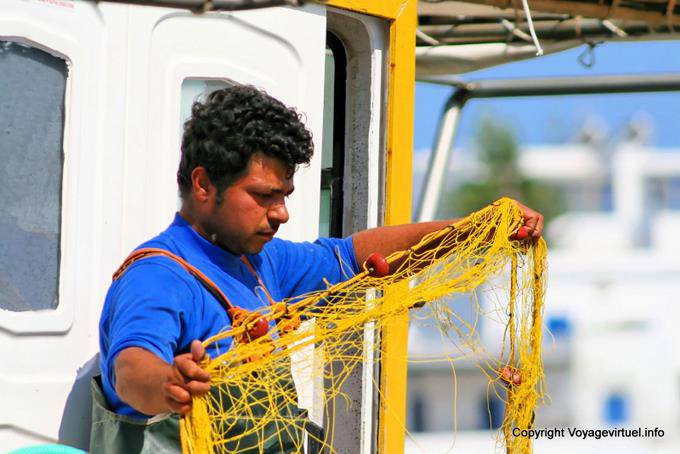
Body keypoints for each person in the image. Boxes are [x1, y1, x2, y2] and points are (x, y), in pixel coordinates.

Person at [91, 85, 543, 453]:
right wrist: (169, 384)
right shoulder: (156, 276)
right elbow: (129, 370)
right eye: (264, 195)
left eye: (284, 195)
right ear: (204, 184)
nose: (281, 213)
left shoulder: (263, 261)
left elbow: (351, 258)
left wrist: (471, 231)